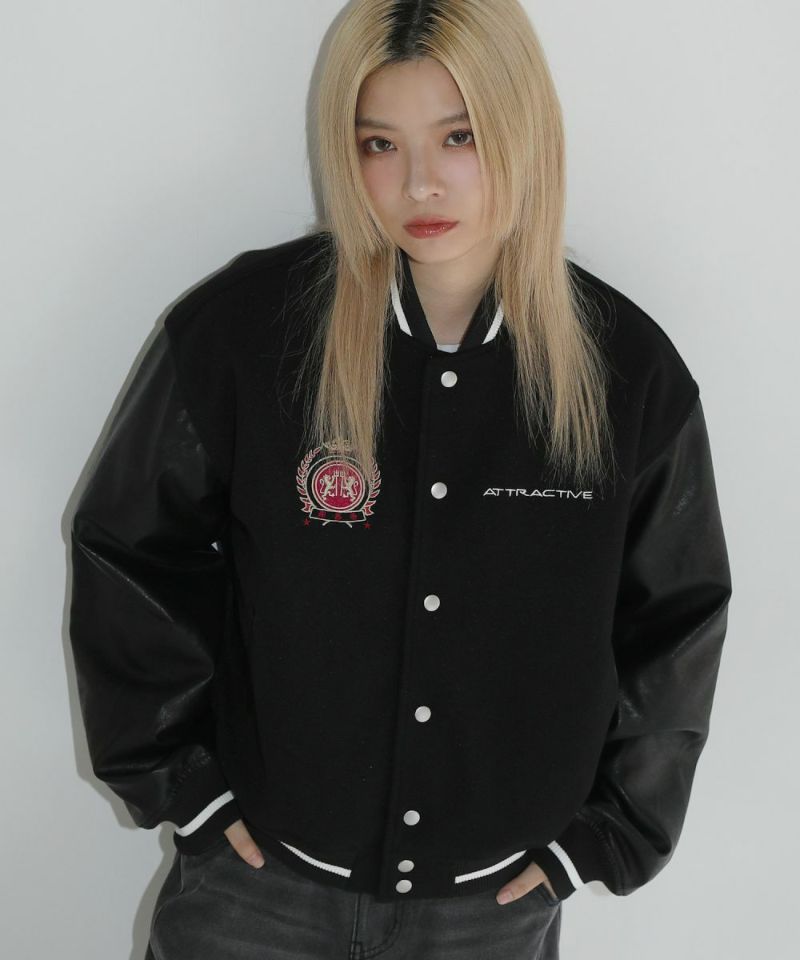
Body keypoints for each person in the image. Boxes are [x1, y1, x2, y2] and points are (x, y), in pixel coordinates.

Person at [68, 1, 732, 957]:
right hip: (253, 893)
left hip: (490, 910)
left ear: (523, 127)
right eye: (380, 144)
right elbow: (131, 552)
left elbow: (677, 619)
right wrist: (183, 785)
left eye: (459, 136)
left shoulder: (630, 372)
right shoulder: (242, 333)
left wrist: (607, 835)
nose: (421, 182)